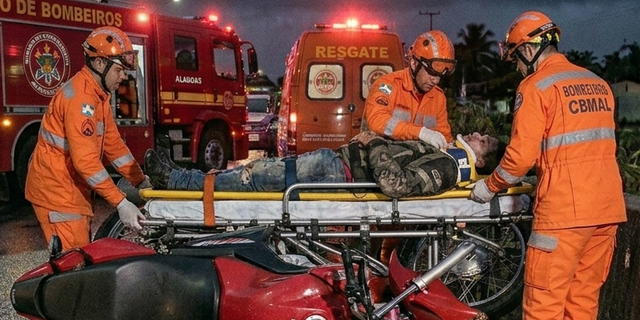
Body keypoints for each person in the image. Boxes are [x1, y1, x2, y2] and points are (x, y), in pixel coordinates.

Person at [469, 11, 627, 320]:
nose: (516, 66)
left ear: (528, 49)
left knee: (544, 298)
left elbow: (520, 156)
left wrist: (490, 186)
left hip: (564, 211)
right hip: (607, 208)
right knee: (583, 298)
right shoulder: (597, 83)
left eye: (515, 56)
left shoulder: (537, 86)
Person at [25, 26, 151, 249]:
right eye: (119, 69)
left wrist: (140, 181)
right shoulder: (81, 99)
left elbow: (114, 146)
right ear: (100, 63)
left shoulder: (98, 95)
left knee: (80, 257)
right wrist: (121, 202)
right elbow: (85, 162)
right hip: (59, 193)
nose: (124, 76)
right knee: (74, 262)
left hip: (69, 189)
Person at [143, 131, 498, 198]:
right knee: (253, 175)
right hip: (335, 165)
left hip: (338, 172)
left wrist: (373, 142)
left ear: (480, 160)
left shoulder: (448, 167)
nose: (476, 133)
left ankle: (175, 180)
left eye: (483, 140)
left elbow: (395, 184)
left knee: (252, 177)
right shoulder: (445, 155)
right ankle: (181, 177)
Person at [364, 31, 457, 151]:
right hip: (379, 156)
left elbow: (445, 137)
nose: (435, 80)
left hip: (414, 160)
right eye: (431, 73)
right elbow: (377, 120)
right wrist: (420, 133)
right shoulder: (389, 84)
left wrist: (455, 148)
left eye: (440, 75)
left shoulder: (438, 97)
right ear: (414, 63)